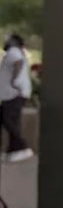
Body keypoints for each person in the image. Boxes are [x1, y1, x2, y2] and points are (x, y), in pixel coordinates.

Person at [0, 34, 34, 163]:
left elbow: (18, 63)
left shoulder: (13, 51)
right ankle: (12, 151)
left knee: (8, 120)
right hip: (13, 94)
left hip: (14, 93)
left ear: (13, 42)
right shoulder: (15, 52)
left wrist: (14, 80)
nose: (5, 41)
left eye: (7, 39)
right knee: (11, 121)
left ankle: (23, 147)